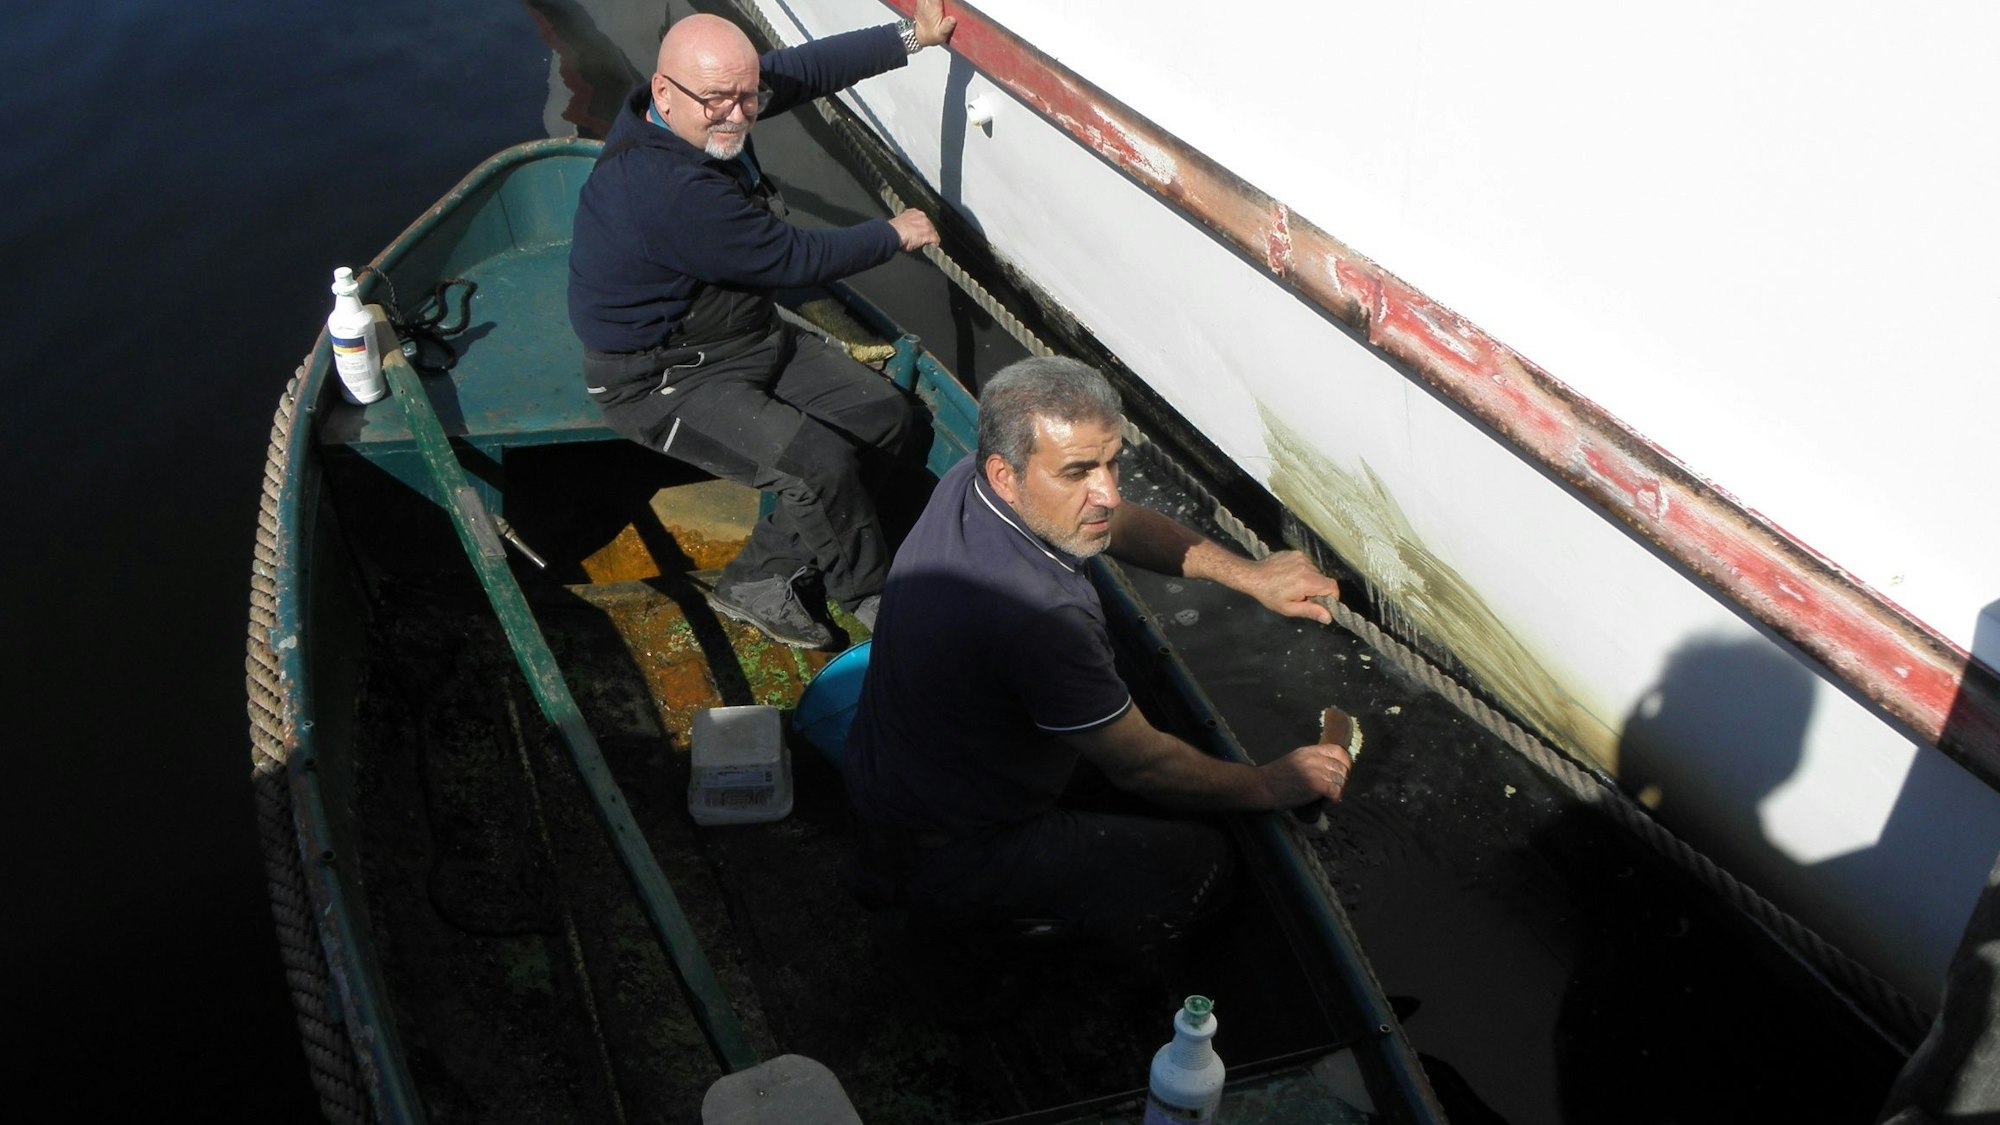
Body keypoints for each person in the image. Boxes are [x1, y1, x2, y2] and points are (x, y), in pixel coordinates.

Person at [840, 356, 1356, 952]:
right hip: (953, 840)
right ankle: (995, 940)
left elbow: (1120, 523)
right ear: (1008, 475)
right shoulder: (1041, 618)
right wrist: (1269, 785)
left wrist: (1252, 576)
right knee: (1200, 863)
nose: (1108, 493)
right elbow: (1144, 768)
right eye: (1080, 471)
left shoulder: (974, 481)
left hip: (895, 771)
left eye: (1112, 463)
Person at [568, 3, 958, 648]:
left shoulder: (704, 98)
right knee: (817, 464)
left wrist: (911, 36)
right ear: (664, 92)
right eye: (720, 101)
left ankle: (759, 578)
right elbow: (792, 257)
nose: (738, 115)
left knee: (886, 418)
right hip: (662, 378)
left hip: (744, 337)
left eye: (748, 98)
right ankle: (866, 595)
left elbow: (802, 71)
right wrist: (890, 233)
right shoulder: (665, 189)